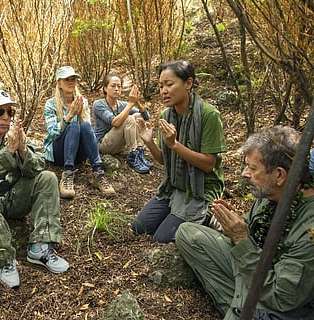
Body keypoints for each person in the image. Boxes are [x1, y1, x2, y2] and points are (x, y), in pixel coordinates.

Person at [176, 126, 314, 320]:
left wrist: (242, 240)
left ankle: (241, 311)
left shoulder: (309, 229)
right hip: (255, 270)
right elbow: (255, 234)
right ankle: (239, 308)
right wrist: (236, 226)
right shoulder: (269, 194)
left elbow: (283, 297)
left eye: (253, 168)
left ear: (280, 175)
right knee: (188, 234)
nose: (244, 173)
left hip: (284, 301)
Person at [0, 89, 69, 289]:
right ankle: (4, 258)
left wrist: (23, 150)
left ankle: (41, 247)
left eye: (10, 112)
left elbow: (38, 167)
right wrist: (8, 152)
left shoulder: (15, 136)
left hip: (13, 199)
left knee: (48, 178)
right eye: (0, 112)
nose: (6, 117)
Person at [131, 60, 227, 243]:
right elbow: (164, 160)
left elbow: (208, 164)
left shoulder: (209, 115)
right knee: (140, 227)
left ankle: (209, 217)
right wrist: (149, 142)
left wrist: (175, 145)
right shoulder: (166, 116)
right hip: (175, 188)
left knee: (161, 238)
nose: (164, 91)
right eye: (160, 86)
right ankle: (181, 212)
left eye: (169, 84)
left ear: (188, 83)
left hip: (201, 190)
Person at [43, 66, 115, 199]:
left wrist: (80, 114)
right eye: (66, 79)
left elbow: (87, 132)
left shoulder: (82, 101)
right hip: (59, 153)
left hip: (78, 153)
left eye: (73, 79)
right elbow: (52, 134)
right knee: (73, 126)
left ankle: (98, 172)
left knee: (85, 125)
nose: (71, 82)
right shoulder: (51, 105)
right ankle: (67, 174)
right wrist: (69, 116)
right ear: (59, 83)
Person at [93, 73, 153, 174]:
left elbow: (146, 117)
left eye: (119, 86)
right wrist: (130, 104)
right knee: (129, 118)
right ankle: (132, 156)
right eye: (113, 86)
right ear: (105, 88)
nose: (116, 89)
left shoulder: (122, 104)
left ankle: (139, 153)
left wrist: (137, 102)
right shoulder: (98, 104)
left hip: (117, 144)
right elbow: (115, 123)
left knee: (137, 117)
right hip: (103, 144)